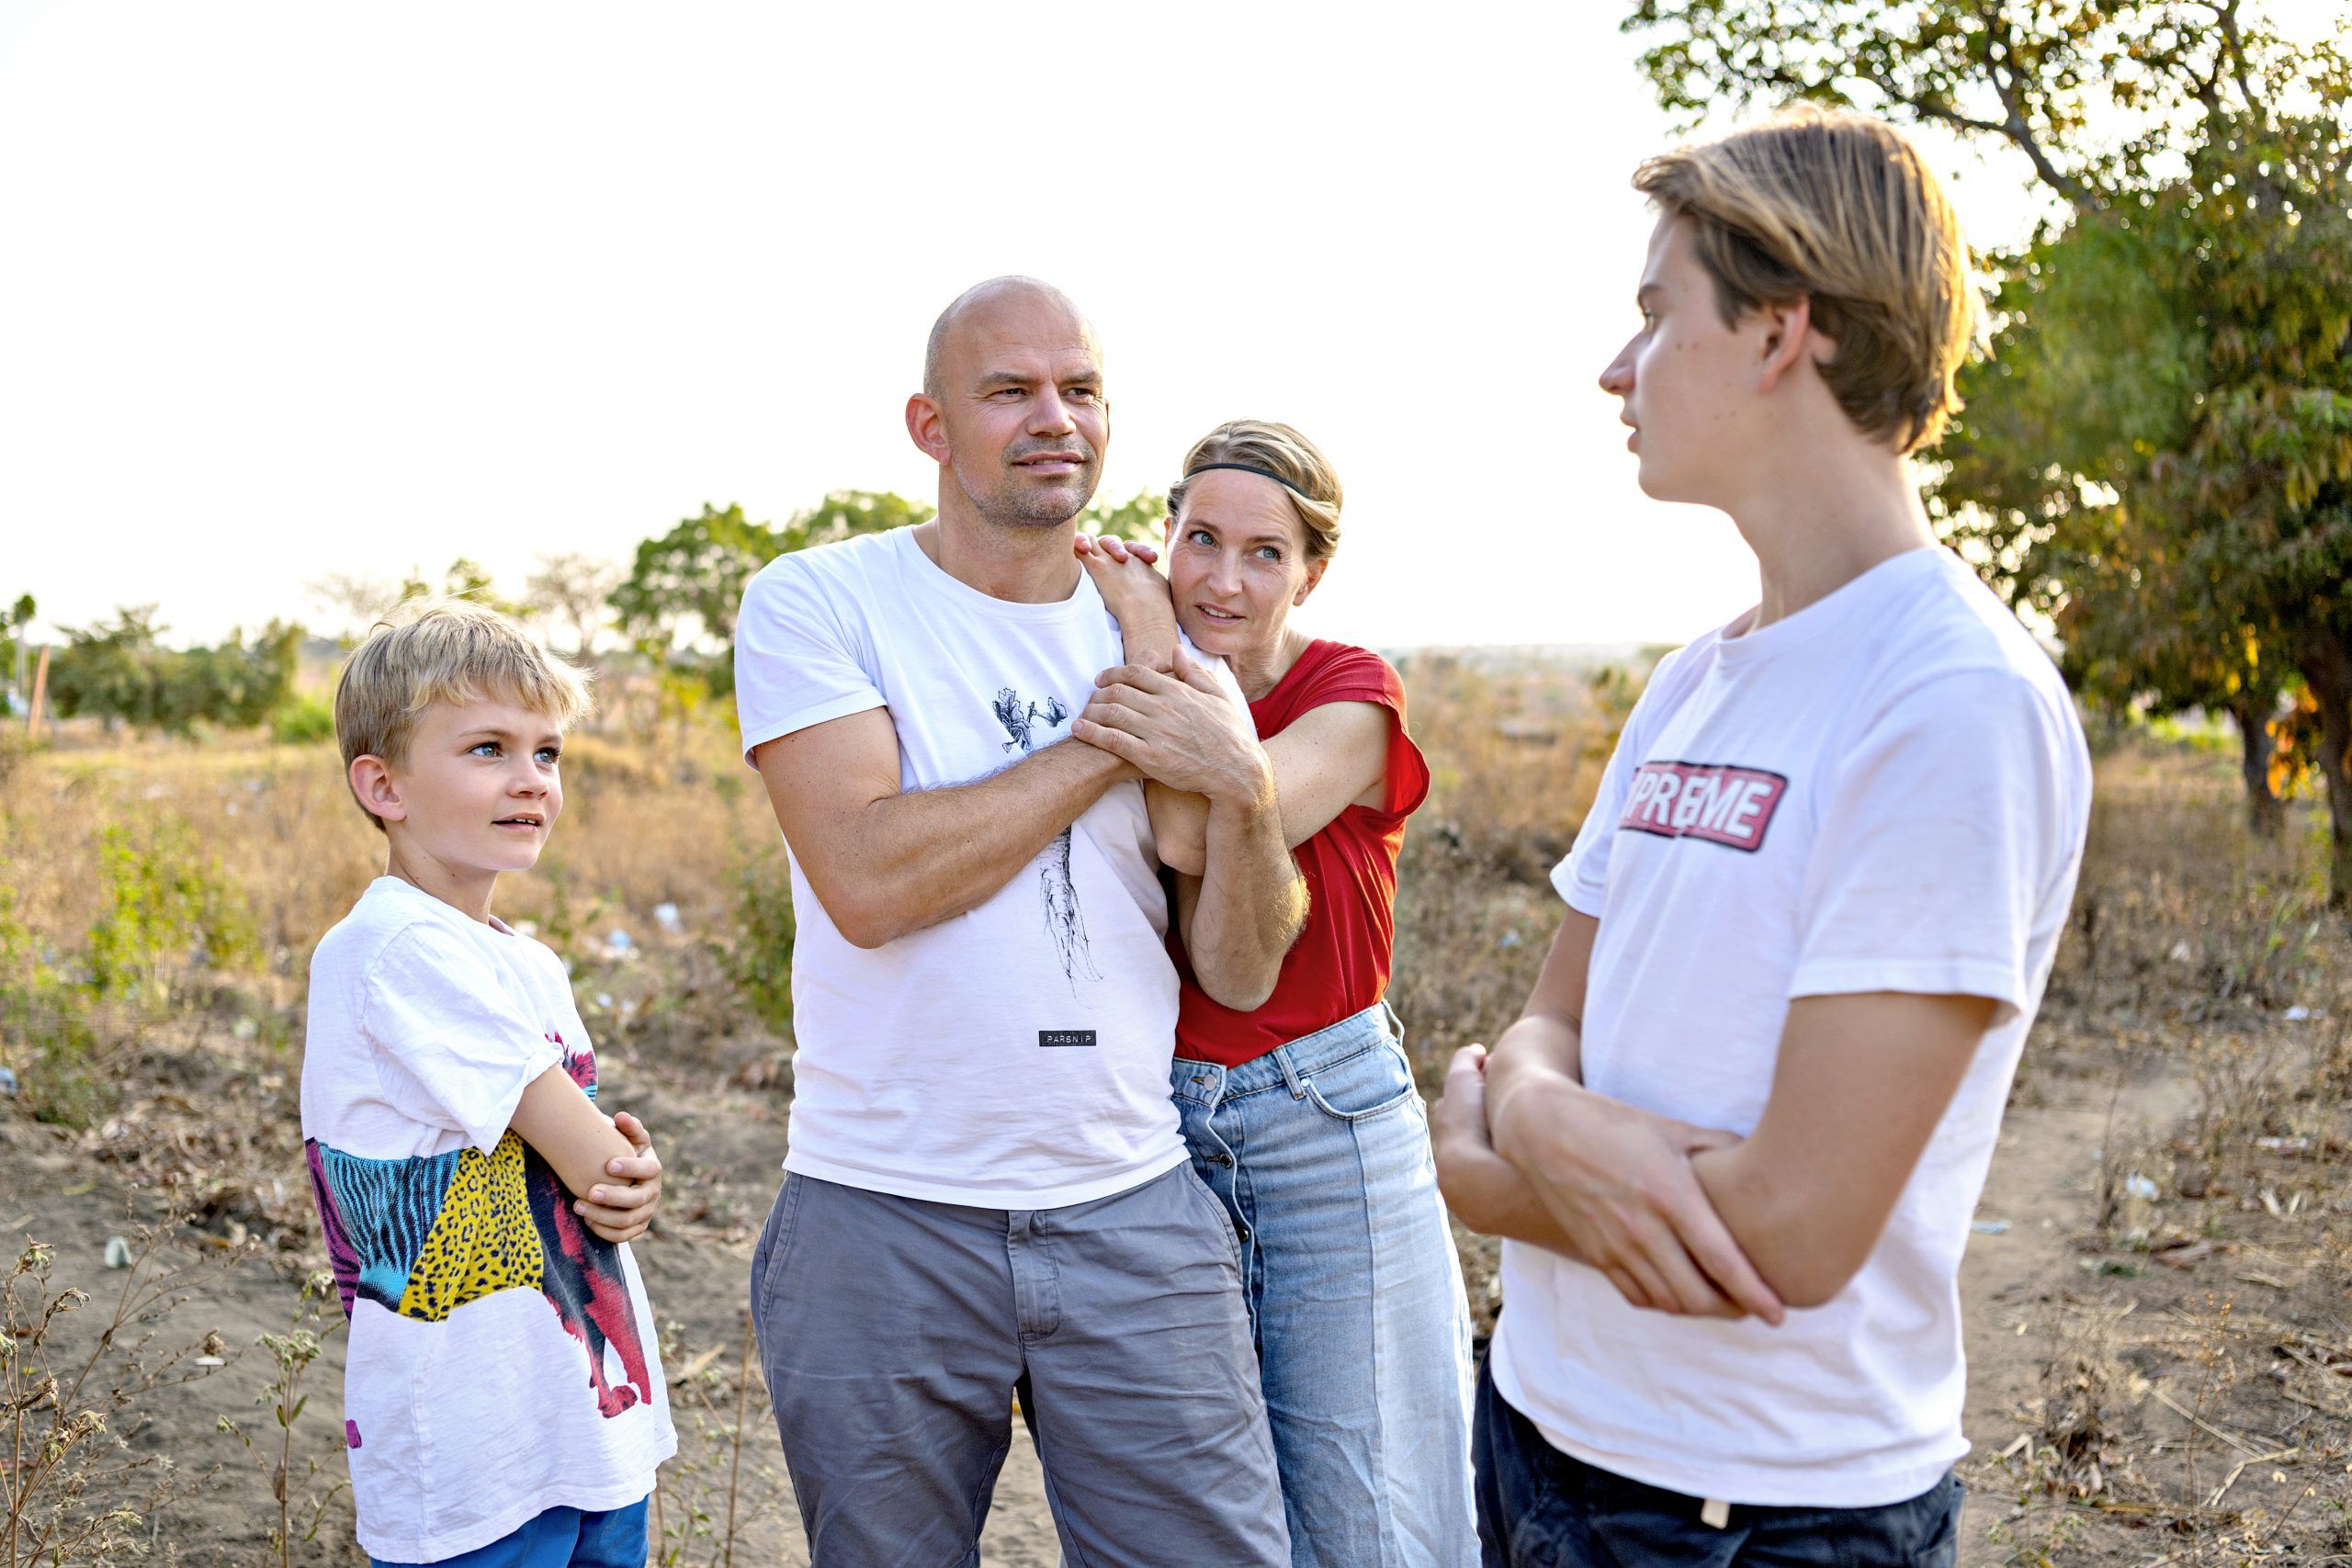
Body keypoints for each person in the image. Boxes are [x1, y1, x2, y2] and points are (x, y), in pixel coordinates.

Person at [1430, 107, 2092, 1565]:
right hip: (1540, 1430)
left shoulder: (1949, 695)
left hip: (1752, 1511)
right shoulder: (1695, 678)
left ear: (1782, 329)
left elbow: (1788, 1227)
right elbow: (1547, 1024)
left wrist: (1505, 1144)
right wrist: (1553, 1115)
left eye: (1657, 315)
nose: (1617, 366)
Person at [732, 276, 1300, 1567]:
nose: (1056, 419)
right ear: (931, 426)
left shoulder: (1161, 632)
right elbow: (869, 881)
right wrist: (1114, 725)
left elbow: (1236, 958)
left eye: (1081, 389)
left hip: (1132, 1201)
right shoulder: (824, 602)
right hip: (884, 1208)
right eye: (1012, 391)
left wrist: (1245, 783)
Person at [1072, 419, 1476, 1567]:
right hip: (1154, 1135)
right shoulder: (1111, 663)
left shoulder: (1348, 693)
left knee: (1368, 1509)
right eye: (1198, 540)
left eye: (1262, 552)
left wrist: (1148, 624)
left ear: (1312, 570)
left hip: (1322, 1122)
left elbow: (1194, 825)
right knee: (1213, 1516)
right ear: (1168, 536)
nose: (1222, 578)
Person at [301, 599, 674, 1568]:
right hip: (475, 1448)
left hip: (577, 1422)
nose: (530, 781)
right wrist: (624, 1172)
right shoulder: (393, 947)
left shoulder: (526, 958)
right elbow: (591, 1155)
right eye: (487, 750)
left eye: (547, 753)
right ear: (382, 785)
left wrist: (628, 1179)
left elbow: (600, 1172)